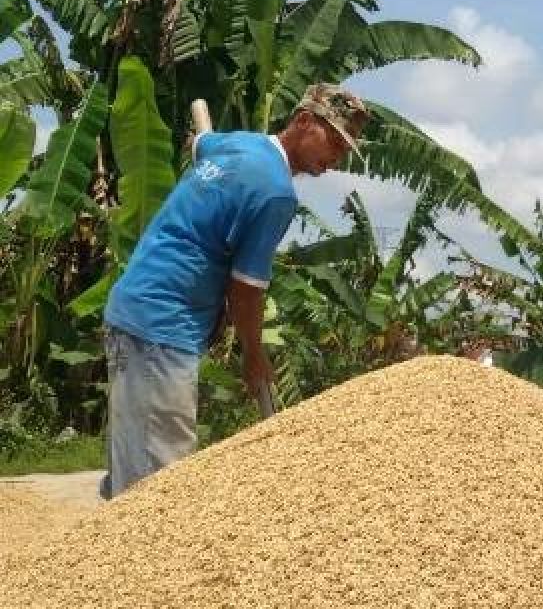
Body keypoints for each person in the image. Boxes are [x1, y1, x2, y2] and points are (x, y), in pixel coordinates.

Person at [99, 84, 368, 499]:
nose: (335, 158)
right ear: (302, 120)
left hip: (132, 308)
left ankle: (108, 559)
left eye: (344, 151)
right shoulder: (276, 192)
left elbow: (200, 142)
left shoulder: (238, 145)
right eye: (332, 141)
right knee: (159, 488)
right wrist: (254, 357)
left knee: (133, 464)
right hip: (162, 325)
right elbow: (246, 291)